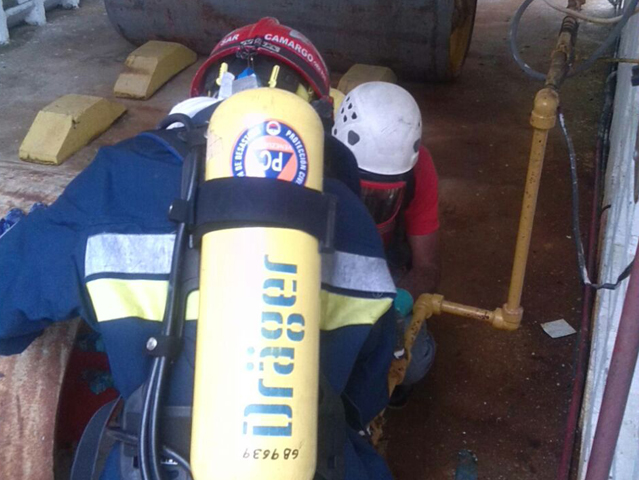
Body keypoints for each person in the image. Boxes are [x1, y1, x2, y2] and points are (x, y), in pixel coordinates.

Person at [0, 18, 396, 480]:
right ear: (317, 115)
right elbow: (364, 398)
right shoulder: (354, 221)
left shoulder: (114, 182)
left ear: (202, 94)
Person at [332, 81, 440, 406]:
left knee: (414, 360)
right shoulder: (312, 154)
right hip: (323, 260)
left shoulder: (419, 170)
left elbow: (427, 267)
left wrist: (395, 308)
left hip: (382, 274)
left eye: (382, 196)